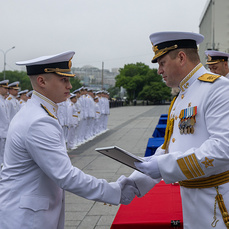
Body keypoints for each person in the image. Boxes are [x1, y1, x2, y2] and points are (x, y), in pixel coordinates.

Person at [0, 51, 139, 229]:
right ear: (42, 81)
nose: (69, 85)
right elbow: (66, 176)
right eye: (63, 80)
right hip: (26, 219)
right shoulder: (38, 121)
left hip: (29, 212)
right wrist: (113, 191)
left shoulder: (39, 111)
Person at [126, 31, 229, 229]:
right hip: (192, 201)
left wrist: (163, 166)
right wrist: (135, 183)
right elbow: (167, 149)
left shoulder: (219, 89)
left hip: (218, 201)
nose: (159, 71)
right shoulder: (181, 96)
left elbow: (223, 148)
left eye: (162, 63)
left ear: (181, 57)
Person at [0, 80, 10, 169]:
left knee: (3, 153)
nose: (7, 90)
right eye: (5, 88)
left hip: (5, 132)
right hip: (1, 131)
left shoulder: (4, 101)